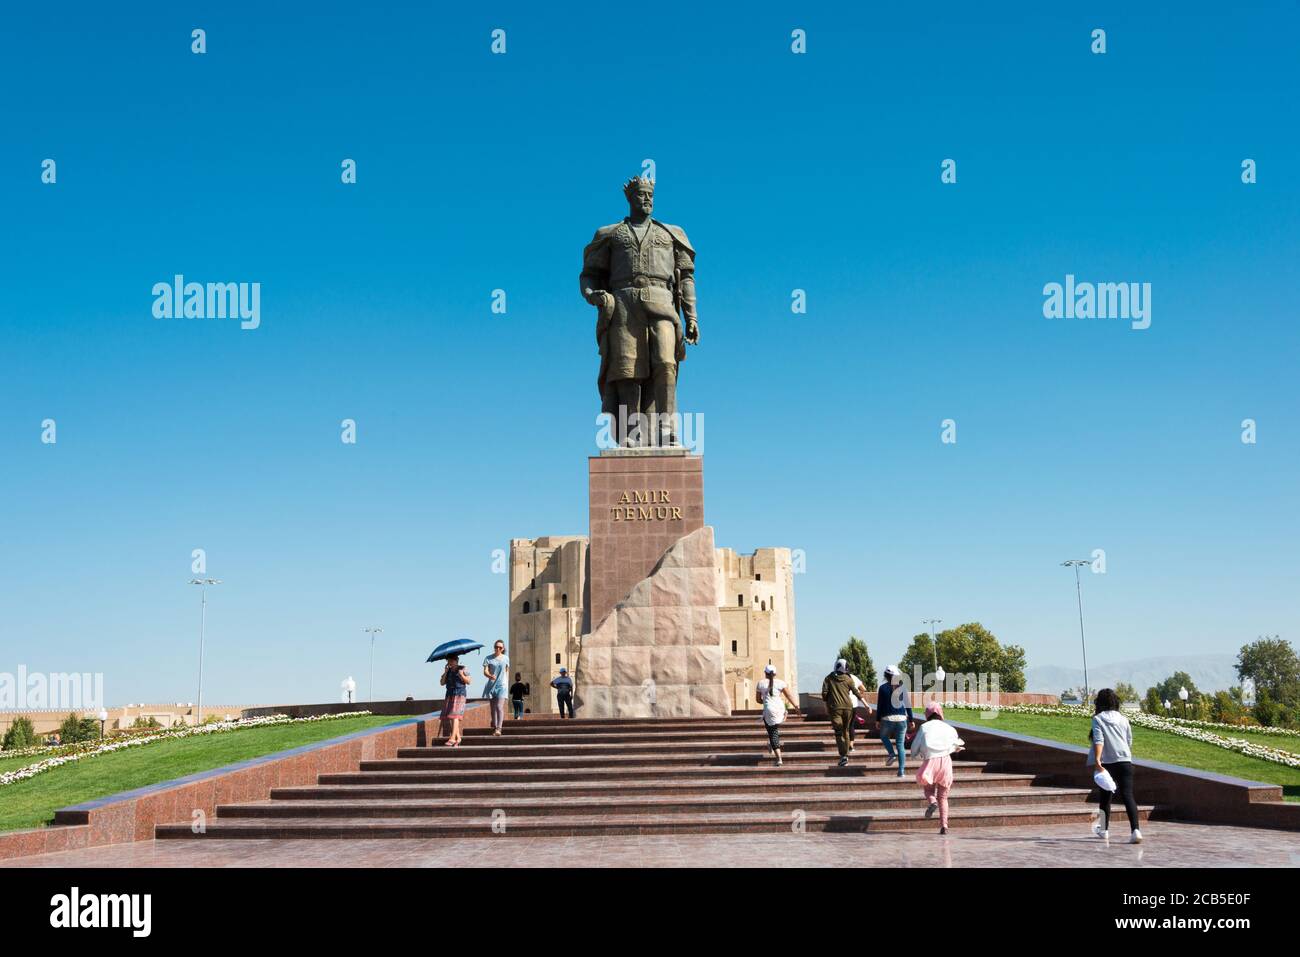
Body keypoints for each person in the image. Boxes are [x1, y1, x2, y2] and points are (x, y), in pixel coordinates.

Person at [1090, 687, 1143, 844]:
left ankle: (1104, 830)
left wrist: (1098, 760)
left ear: (1099, 702)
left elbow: (1099, 740)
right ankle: (1136, 830)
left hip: (1108, 762)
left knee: (1105, 797)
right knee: (1128, 795)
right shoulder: (1123, 719)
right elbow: (1129, 740)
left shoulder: (1098, 719)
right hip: (1126, 761)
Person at [910, 703, 965, 835]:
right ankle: (944, 825)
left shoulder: (924, 727)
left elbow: (915, 746)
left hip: (930, 761)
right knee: (943, 796)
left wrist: (915, 755)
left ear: (927, 714)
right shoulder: (949, 728)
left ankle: (932, 802)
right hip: (946, 762)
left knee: (929, 791)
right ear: (940, 713)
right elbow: (956, 743)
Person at [755, 664, 799, 766]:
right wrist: (796, 706)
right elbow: (789, 695)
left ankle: (779, 759)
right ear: (775, 673)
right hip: (780, 709)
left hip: (769, 711)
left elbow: (757, 700)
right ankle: (785, 714)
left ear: (765, 673)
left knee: (773, 733)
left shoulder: (760, 683)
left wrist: (765, 701)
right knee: (775, 728)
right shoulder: (781, 683)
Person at [876, 665, 914, 777]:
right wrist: (911, 719)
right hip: (902, 719)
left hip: (887, 719)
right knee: (900, 745)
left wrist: (878, 720)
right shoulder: (902, 687)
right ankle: (901, 771)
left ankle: (891, 753)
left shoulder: (882, 688)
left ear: (886, 676)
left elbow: (880, 706)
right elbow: (908, 705)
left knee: (883, 736)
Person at [822, 659, 858, 767]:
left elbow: (824, 695)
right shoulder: (848, 678)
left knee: (838, 732)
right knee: (846, 731)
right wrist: (865, 704)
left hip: (835, 709)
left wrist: (830, 699)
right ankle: (846, 755)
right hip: (848, 708)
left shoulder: (828, 678)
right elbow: (856, 692)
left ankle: (843, 756)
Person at [438, 654, 472, 747]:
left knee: (455, 715)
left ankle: (452, 738)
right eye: (448, 661)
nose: (450, 663)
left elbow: (469, 681)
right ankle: (458, 738)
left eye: (451, 661)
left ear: (456, 660)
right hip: (450, 694)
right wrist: (445, 672)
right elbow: (442, 683)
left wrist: (461, 675)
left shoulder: (463, 668)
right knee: (451, 716)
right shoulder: (448, 671)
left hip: (460, 694)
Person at [481, 640, 510, 735]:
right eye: (496, 647)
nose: (498, 649)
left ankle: (499, 728)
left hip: (502, 685)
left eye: (500, 647)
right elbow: (485, 671)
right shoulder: (488, 658)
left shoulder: (506, 658)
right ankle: (494, 726)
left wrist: (507, 683)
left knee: (499, 706)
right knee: (493, 708)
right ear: (494, 647)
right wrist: (490, 675)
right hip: (491, 685)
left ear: (503, 649)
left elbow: (507, 671)